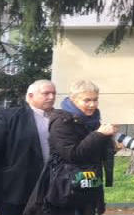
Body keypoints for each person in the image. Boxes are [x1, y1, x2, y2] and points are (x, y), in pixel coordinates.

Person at [34, 80, 117, 215]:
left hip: (89, 184)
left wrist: (112, 148)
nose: (92, 105)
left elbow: (92, 152)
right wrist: (98, 134)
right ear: (73, 100)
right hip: (66, 188)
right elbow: (72, 154)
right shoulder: (62, 121)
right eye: (87, 100)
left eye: (95, 100)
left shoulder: (93, 121)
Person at [0, 80, 56, 215]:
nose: (51, 97)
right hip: (15, 191)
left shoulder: (61, 118)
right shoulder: (10, 117)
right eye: (46, 93)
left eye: (53, 93)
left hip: (51, 189)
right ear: (30, 96)